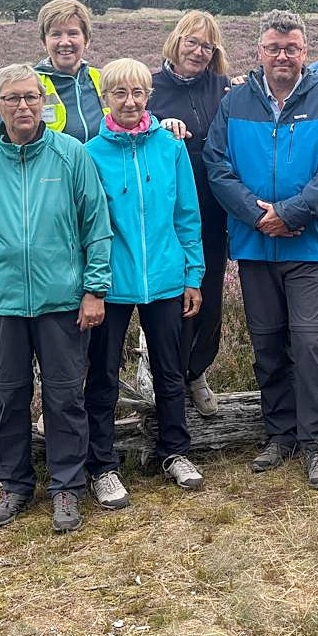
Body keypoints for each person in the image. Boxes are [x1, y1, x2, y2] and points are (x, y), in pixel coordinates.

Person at [0, 64, 112, 531]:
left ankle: (66, 487)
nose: (23, 106)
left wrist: (94, 290)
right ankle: (15, 485)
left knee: (65, 398)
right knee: (7, 397)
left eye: (31, 97)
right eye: (12, 99)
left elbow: (96, 227)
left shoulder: (70, 155)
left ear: (44, 101)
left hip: (62, 301)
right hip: (1, 303)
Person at [204, 9, 318, 489]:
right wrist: (257, 215)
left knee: (309, 343)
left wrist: (289, 214)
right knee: (267, 342)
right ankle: (280, 433)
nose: (282, 56)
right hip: (253, 246)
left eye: (291, 48)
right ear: (260, 51)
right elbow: (217, 165)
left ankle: (316, 443)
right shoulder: (236, 103)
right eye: (274, 47)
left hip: (310, 247)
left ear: (305, 52)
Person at [85, 58, 207, 504]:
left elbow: (186, 216)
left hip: (166, 278)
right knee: (101, 377)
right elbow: (86, 225)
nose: (131, 101)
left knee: (170, 372)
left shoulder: (170, 148)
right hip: (110, 285)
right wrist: (91, 286)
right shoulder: (90, 153)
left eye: (138, 93)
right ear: (106, 99)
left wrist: (193, 275)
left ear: (148, 96)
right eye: (120, 93)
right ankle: (102, 465)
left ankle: (174, 451)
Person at [147, 11, 232, 418]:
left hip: (215, 213)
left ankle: (196, 372)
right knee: (171, 300)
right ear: (176, 41)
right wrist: (158, 125)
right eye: (191, 42)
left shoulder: (225, 88)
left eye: (207, 46)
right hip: (166, 213)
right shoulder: (150, 88)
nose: (198, 52)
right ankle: (169, 380)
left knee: (209, 298)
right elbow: (128, 125)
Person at [0, 0, 105, 147]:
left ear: (86, 39)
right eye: (56, 34)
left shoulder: (105, 81)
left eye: (73, 33)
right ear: (43, 42)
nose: (65, 42)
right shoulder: (27, 85)